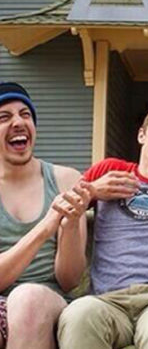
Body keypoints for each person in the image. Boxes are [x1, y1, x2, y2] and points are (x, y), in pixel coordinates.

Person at [58, 97, 148, 349]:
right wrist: (93, 190)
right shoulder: (109, 170)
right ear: (142, 135)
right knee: (78, 315)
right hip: (107, 299)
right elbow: (62, 209)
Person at [0, 82, 90, 349]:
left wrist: (70, 226)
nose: (18, 122)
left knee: (28, 300)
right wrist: (46, 228)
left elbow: (70, 280)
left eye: (25, 115)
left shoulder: (66, 180)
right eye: (4, 117)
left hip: (48, 300)